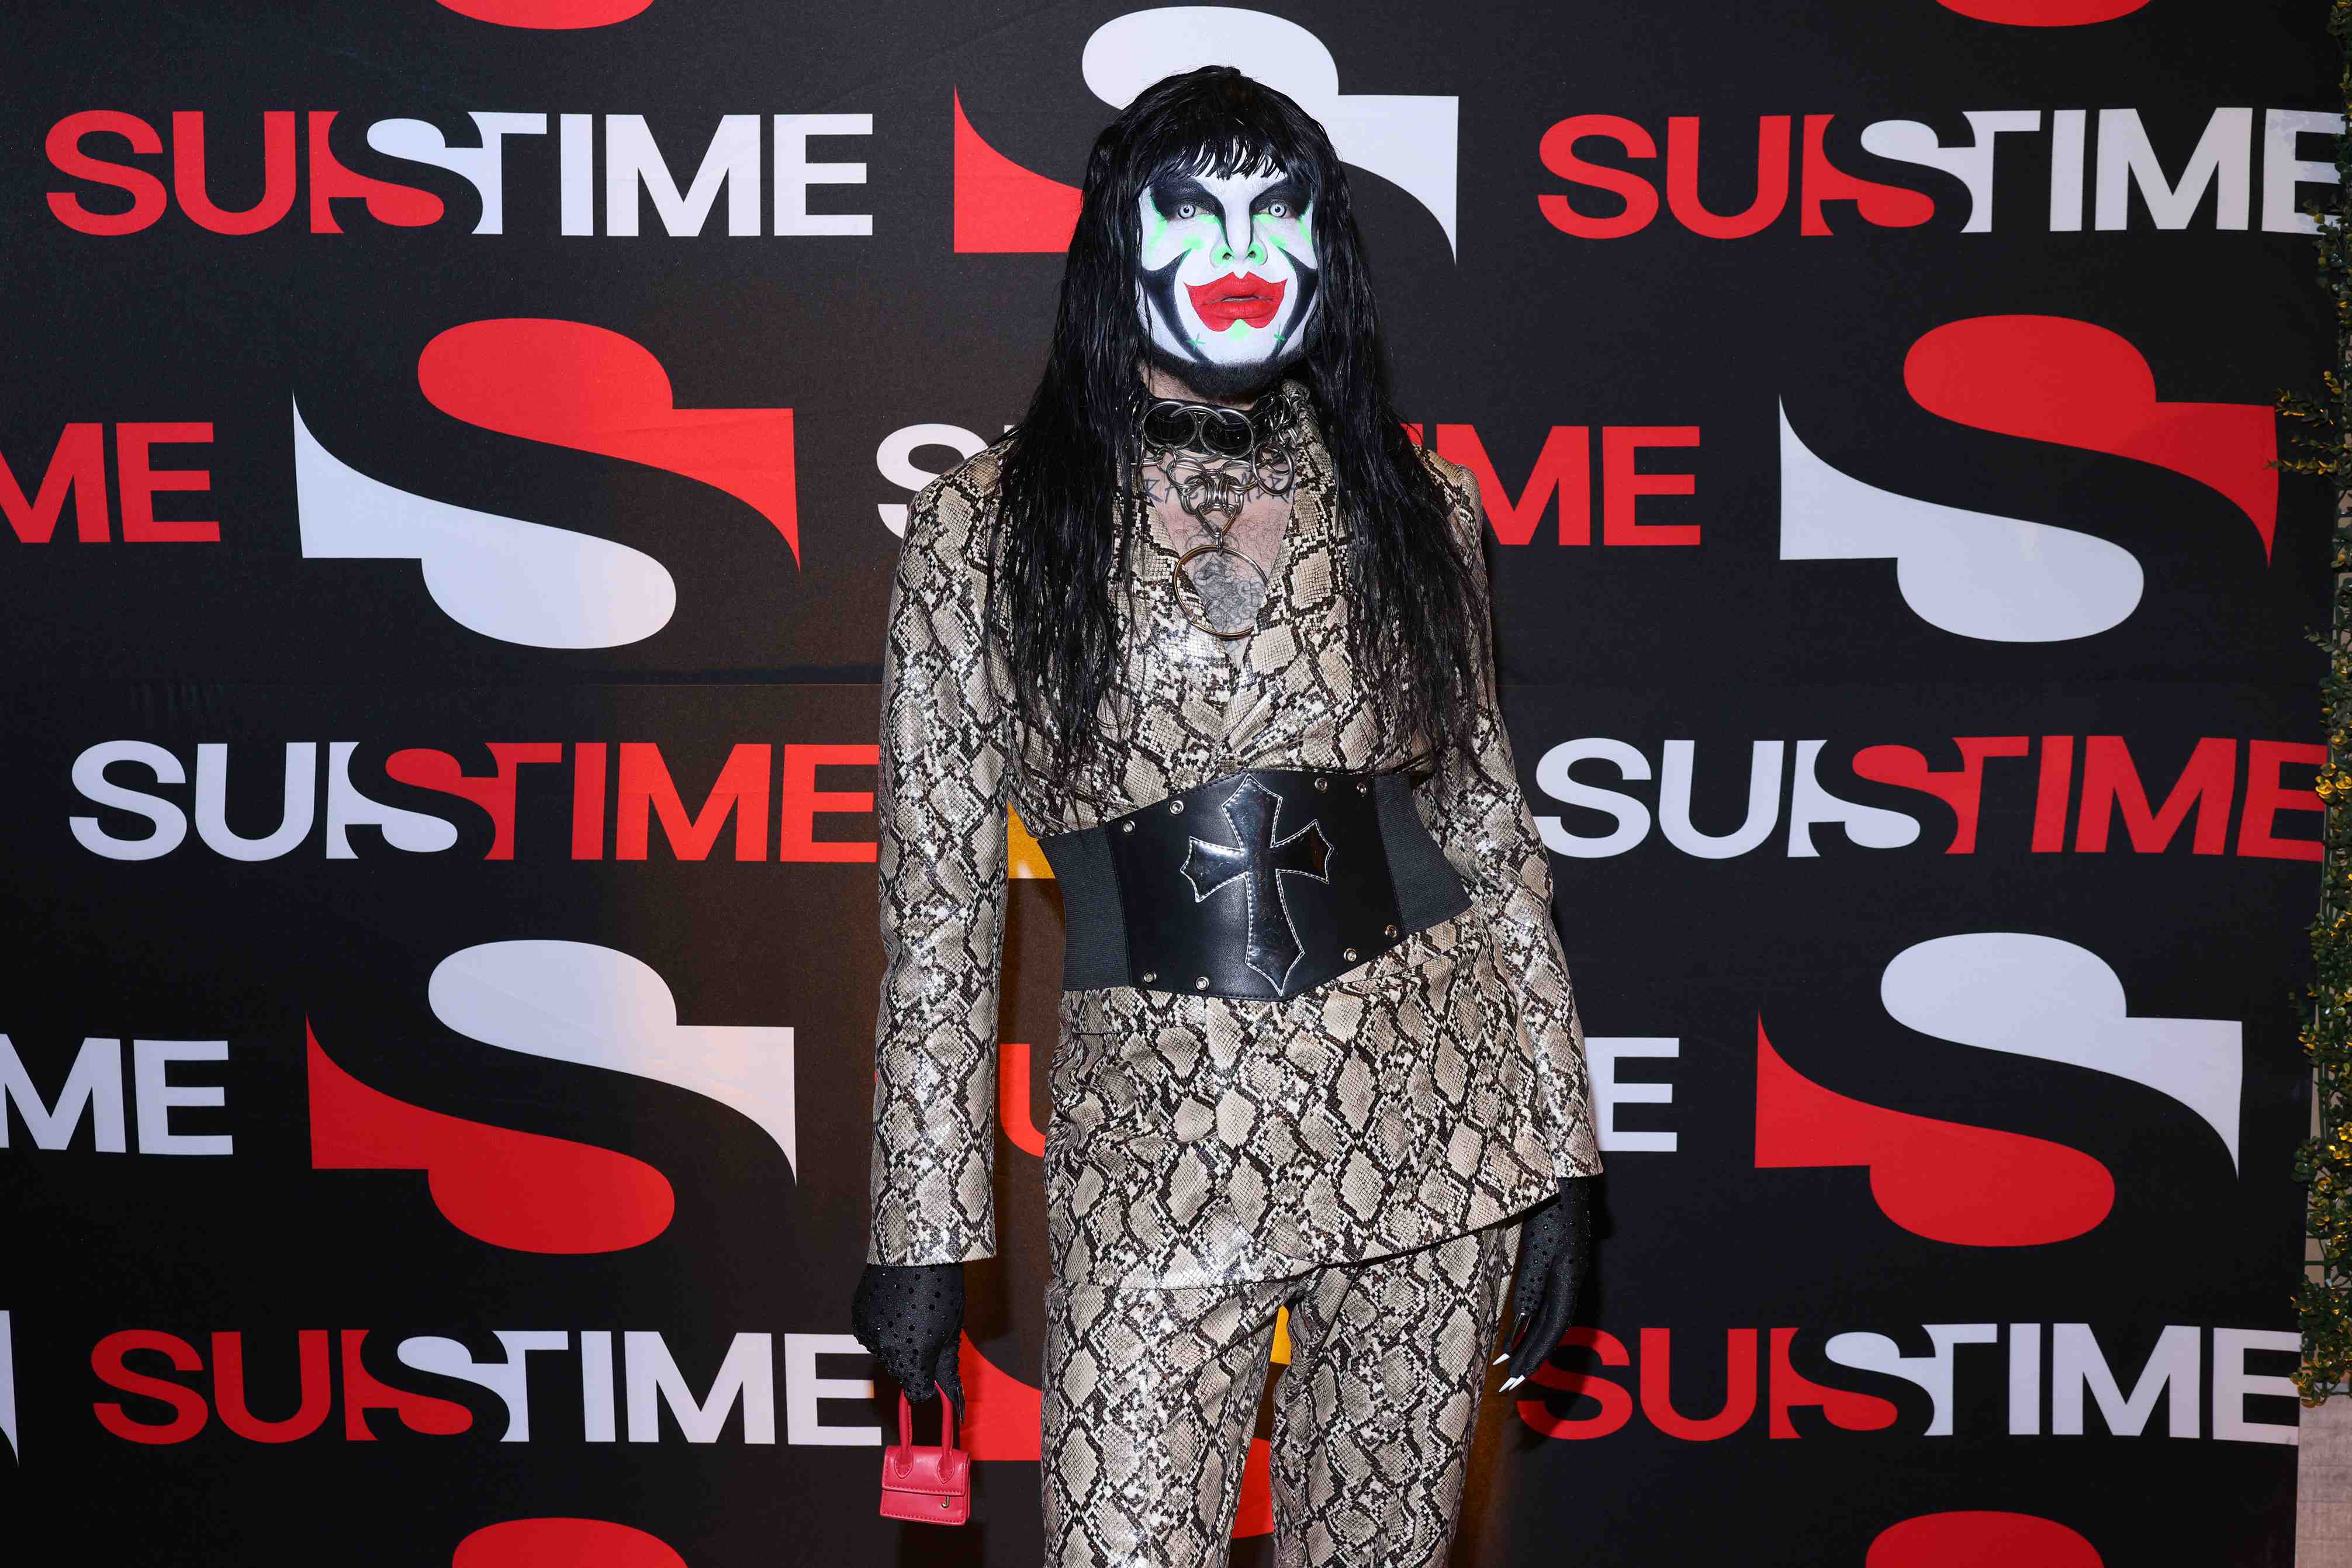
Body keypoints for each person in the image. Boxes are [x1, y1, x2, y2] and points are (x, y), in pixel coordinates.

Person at [851, 64, 1602, 1568]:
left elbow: (1483, 830)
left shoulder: (1421, 502)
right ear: (1114, 243)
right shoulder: (985, 524)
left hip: (1432, 1127)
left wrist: (1556, 1154)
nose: (1242, 254)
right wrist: (922, 1230)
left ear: (1328, 247)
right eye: (1192, 214)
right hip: (1155, 1147)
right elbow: (936, 898)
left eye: (1280, 214)